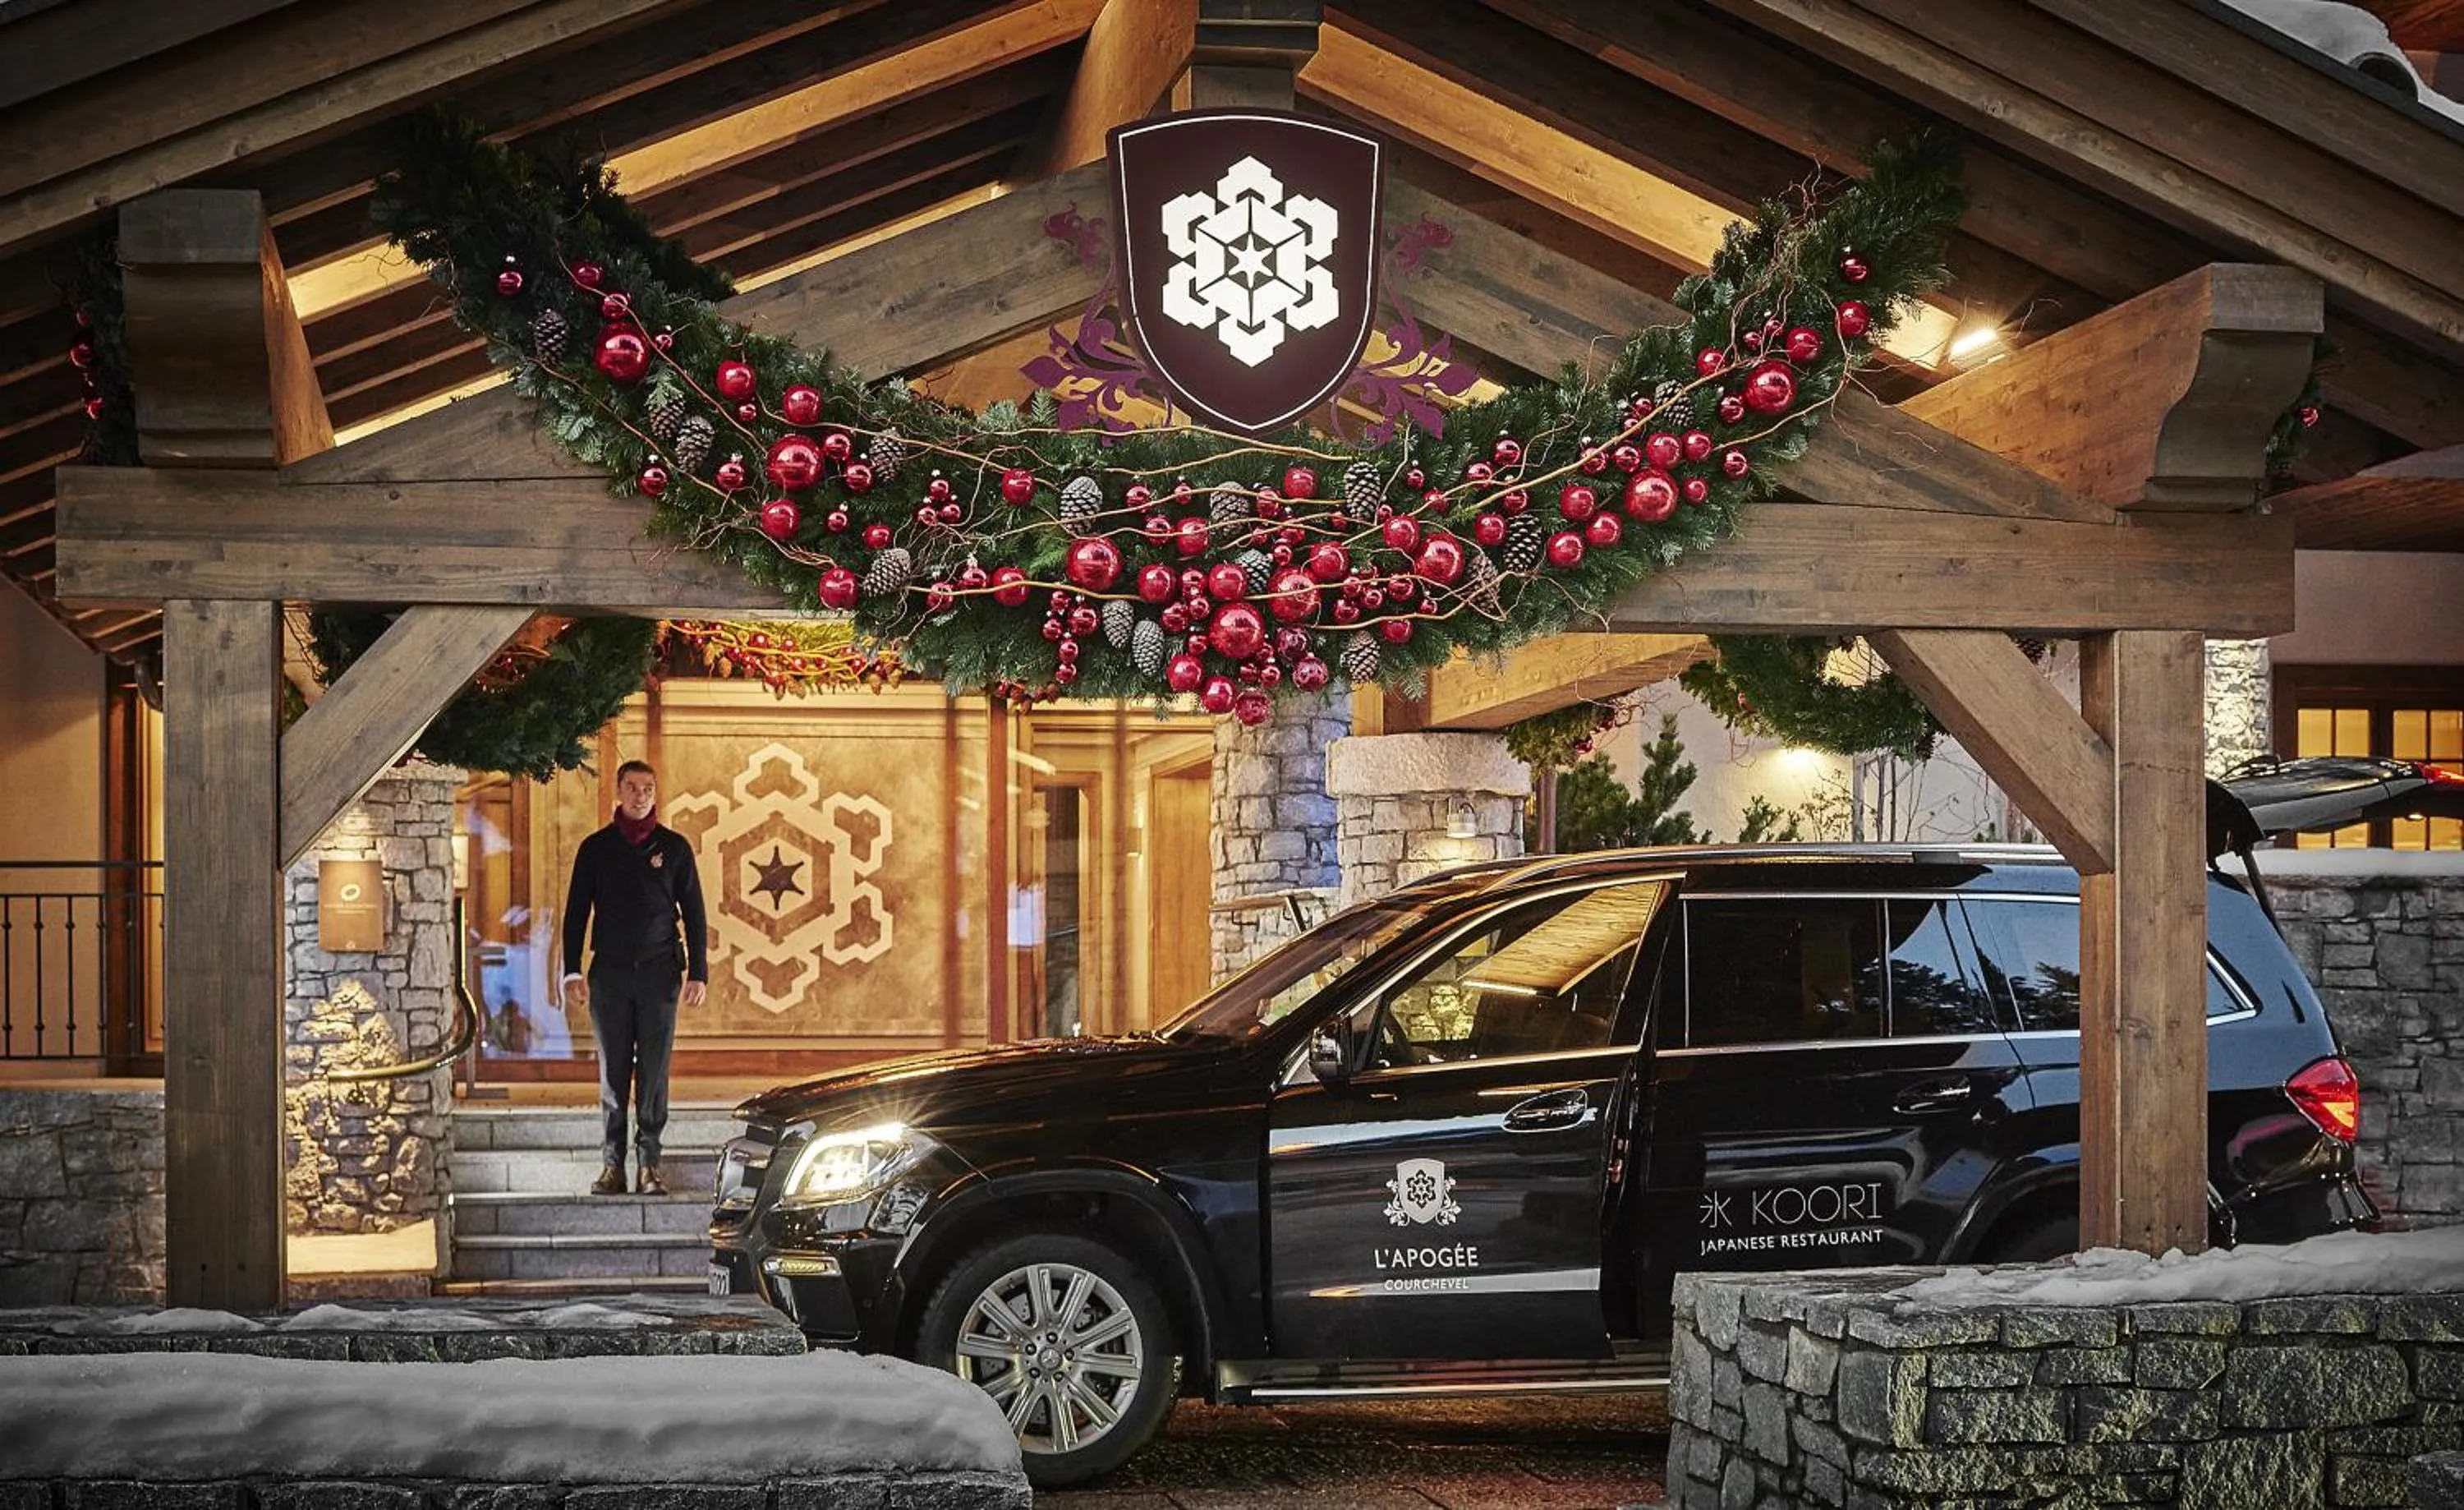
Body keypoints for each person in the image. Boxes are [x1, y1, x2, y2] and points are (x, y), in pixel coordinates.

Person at [561, 760, 708, 1195]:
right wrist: (571, 970)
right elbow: (575, 915)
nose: (640, 795)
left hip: (660, 974)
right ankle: (613, 1166)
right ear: (618, 792)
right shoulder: (596, 848)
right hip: (610, 975)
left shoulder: (675, 848)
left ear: (655, 794)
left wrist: (698, 972)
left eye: (648, 788)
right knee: (613, 1072)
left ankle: (650, 1166)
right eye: (632, 787)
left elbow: (695, 914)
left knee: (655, 1072)